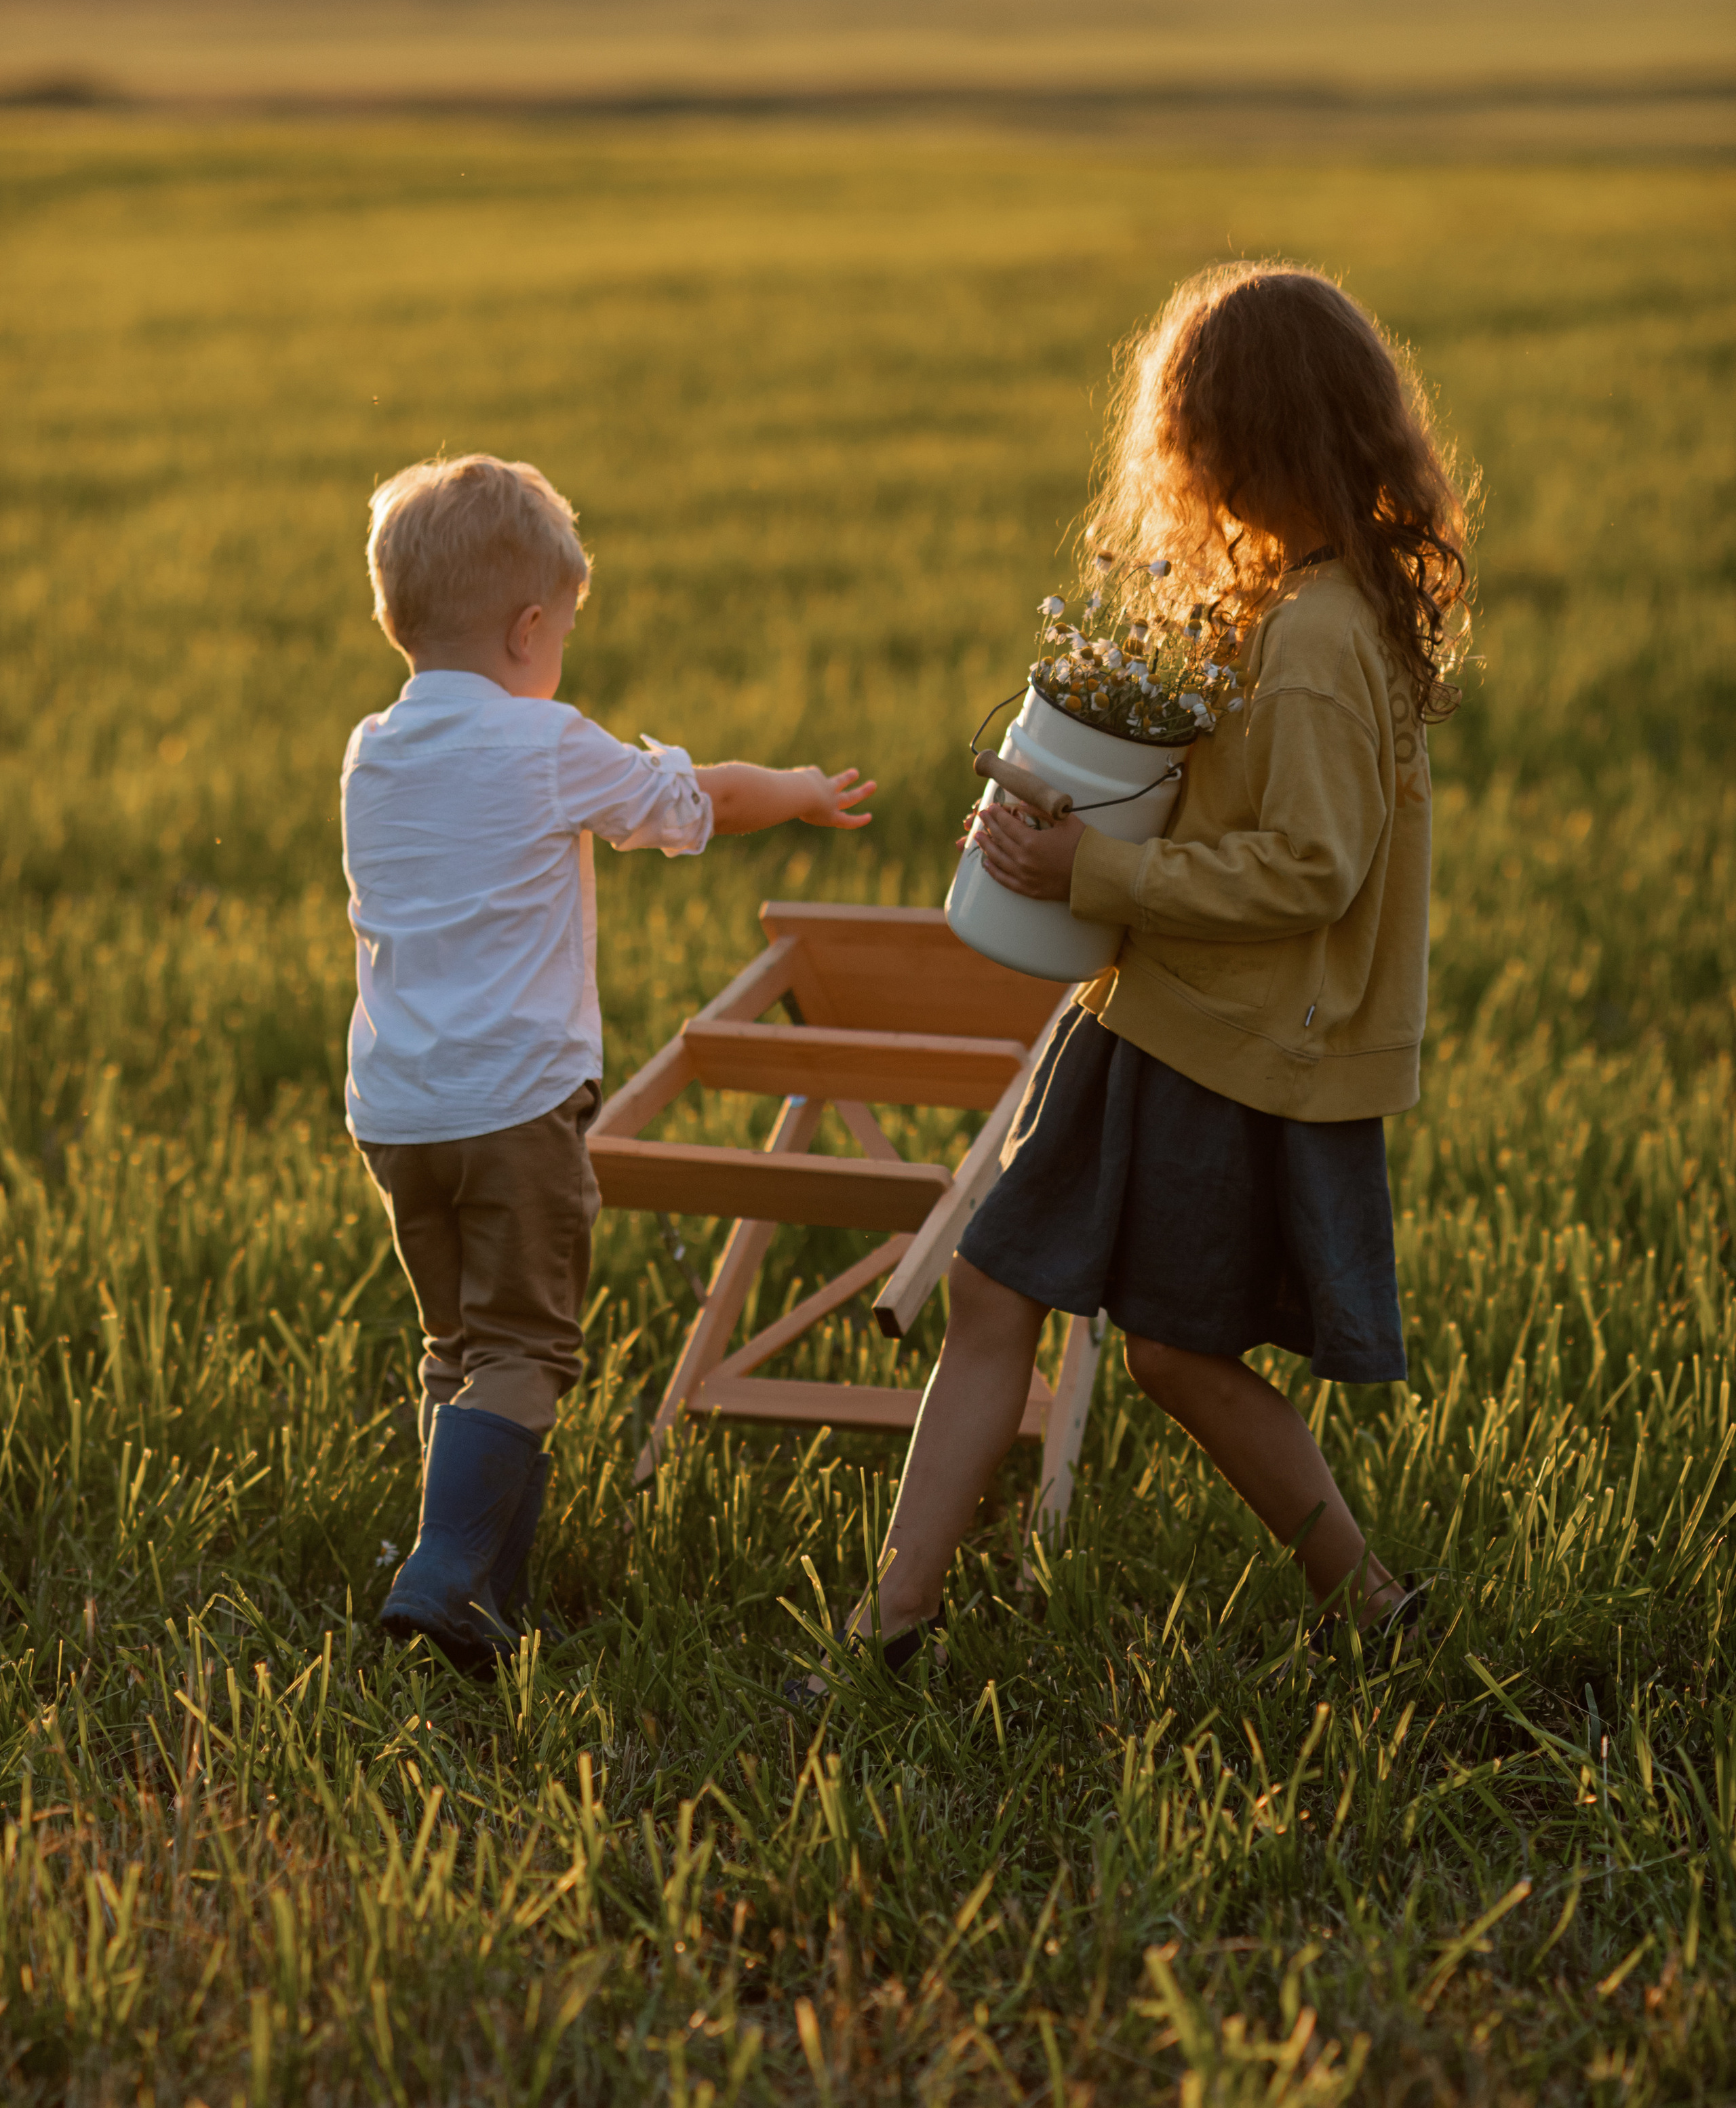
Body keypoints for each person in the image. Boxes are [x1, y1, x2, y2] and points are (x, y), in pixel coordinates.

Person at [831, 262, 1471, 1681]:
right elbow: (1228, 824)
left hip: (1226, 1042)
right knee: (992, 1292)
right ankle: (891, 1626)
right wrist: (1073, 825)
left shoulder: (1311, 640)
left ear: (1237, 444)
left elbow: (1311, 871)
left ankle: (1372, 1608)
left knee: (1177, 1359)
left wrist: (1095, 875)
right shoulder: (1298, 606)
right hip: (1148, 1013)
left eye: (1188, 438)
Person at [343, 452, 872, 1673]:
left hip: (397, 1112)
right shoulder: (541, 743)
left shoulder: (370, 753)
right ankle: (442, 1568)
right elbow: (690, 802)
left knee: (460, 1351)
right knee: (528, 1348)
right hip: (515, 1108)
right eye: (566, 629)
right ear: (531, 628)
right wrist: (789, 789)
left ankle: (482, 1595)